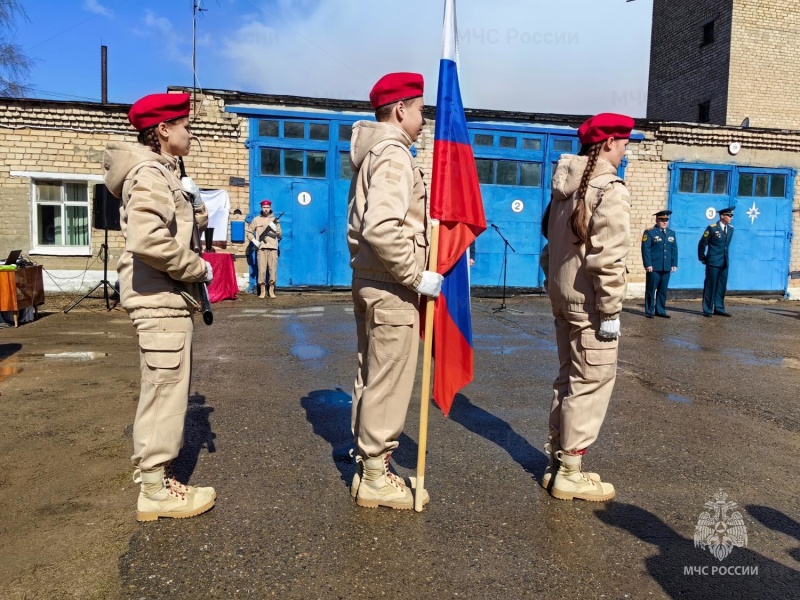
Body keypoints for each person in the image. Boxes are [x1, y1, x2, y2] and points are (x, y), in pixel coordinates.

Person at [103, 92, 216, 521]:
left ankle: (158, 479)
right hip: (158, 296)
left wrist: (194, 199)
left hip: (162, 295)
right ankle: (154, 488)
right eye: (185, 125)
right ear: (163, 130)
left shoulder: (163, 172)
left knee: (165, 384)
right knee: (164, 388)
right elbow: (149, 239)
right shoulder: (149, 172)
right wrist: (196, 268)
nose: (191, 132)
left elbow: (184, 225)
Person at [347, 72, 442, 510]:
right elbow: (382, 227)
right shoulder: (393, 155)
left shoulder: (378, 152)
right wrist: (414, 274)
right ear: (401, 109)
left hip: (375, 281)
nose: (424, 120)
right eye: (421, 110)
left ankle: (369, 464)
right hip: (391, 286)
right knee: (389, 380)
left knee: (373, 376)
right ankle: (375, 476)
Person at [539, 112, 634, 502]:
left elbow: (551, 250)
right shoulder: (607, 188)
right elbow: (608, 260)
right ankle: (571, 472)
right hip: (591, 305)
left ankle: (559, 463)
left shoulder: (568, 188)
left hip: (566, 300)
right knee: (590, 384)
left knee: (568, 380)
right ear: (609, 142)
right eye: (626, 142)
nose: (627, 149)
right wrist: (611, 312)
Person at [698, 206, 735, 317]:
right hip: (713, 262)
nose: (731, 217)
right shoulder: (712, 228)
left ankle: (719, 308)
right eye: (729, 215)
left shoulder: (731, 229)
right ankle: (708, 309)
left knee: (721, 286)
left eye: (732, 215)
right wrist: (702, 257)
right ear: (722, 216)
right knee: (710, 285)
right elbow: (702, 243)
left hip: (724, 262)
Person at [641, 210, 678, 318]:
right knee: (651, 289)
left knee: (663, 290)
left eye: (666, 220)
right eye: (662, 220)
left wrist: (674, 263)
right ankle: (649, 311)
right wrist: (648, 264)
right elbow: (645, 249)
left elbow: (674, 249)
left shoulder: (671, 233)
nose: (664, 222)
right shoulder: (650, 232)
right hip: (654, 267)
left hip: (666, 266)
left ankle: (660, 310)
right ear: (657, 220)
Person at [246, 199, 282, 298]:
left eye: (267, 207)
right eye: (264, 207)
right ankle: (262, 290)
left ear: (270, 208)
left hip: (273, 247)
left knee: (272, 269)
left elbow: (279, 235)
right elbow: (249, 232)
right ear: (261, 208)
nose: (266, 209)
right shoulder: (256, 219)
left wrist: (275, 230)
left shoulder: (275, 220)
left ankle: (271, 289)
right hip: (261, 248)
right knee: (261, 270)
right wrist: (254, 240)